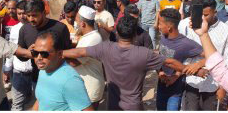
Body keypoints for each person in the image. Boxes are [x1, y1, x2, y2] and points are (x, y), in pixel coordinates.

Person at [62, 16, 190, 110]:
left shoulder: (105, 48)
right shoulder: (145, 54)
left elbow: (79, 52)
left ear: (117, 32)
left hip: (113, 105)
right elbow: (170, 62)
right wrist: (192, 69)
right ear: (135, 34)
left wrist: (57, 53)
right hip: (134, 107)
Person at [178, 0, 228, 110]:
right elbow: (180, 51)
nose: (202, 18)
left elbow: (227, 61)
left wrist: (223, 87)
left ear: (215, 12)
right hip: (191, 81)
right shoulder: (185, 25)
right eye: (200, 14)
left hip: (213, 85)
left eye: (206, 15)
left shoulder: (227, 31)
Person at [31, 31, 94, 111]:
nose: (39, 58)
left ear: (60, 54)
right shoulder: (43, 69)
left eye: (44, 54)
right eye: (35, 53)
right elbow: (41, 100)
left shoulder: (71, 81)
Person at [156, 8, 203, 110]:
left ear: (169, 27)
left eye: (160, 23)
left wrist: (195, 66)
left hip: (175, 90)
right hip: (161, 85)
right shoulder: (164, 36)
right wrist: (159, 72)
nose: (158, 26)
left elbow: (209, 55)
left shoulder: (186, 43)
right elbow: (159, 57)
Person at [69, 6, 105, 108]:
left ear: (82, 24)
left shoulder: (92, 39)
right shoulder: (88, 37)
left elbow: (74, 62)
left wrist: (57, 55)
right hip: (84, 88)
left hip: (90, 88)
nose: (75, 24)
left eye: (76, 20)